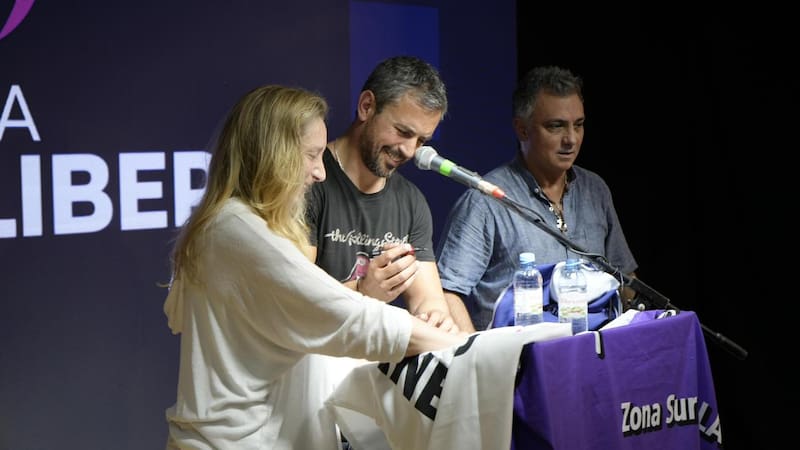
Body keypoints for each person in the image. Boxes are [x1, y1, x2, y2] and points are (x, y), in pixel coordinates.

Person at [162, 84, 466, 450]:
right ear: (274, 154)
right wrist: (464, 349)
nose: (320, 173)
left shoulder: (225, 226)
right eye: (312, 155)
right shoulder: (235, 229)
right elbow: (340, 315)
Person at [435, 65, 639, 330]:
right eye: (556, 126)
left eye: (578, 125)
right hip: (519, 365)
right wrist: (476, 358)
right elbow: (447, 292)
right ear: (522, 129)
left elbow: (627, 281)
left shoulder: (595, 189)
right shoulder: (485, 201)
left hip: (595, 359)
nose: (571, 139)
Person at [305, 55, 475, 333]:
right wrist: (363, 292)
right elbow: (294, 304)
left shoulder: (412, 201)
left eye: (421, 140)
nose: (409, 150)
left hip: (373, 364)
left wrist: (438, 321)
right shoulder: (308, 180)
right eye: (402, 132)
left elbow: (430, 304)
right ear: (367, 106)